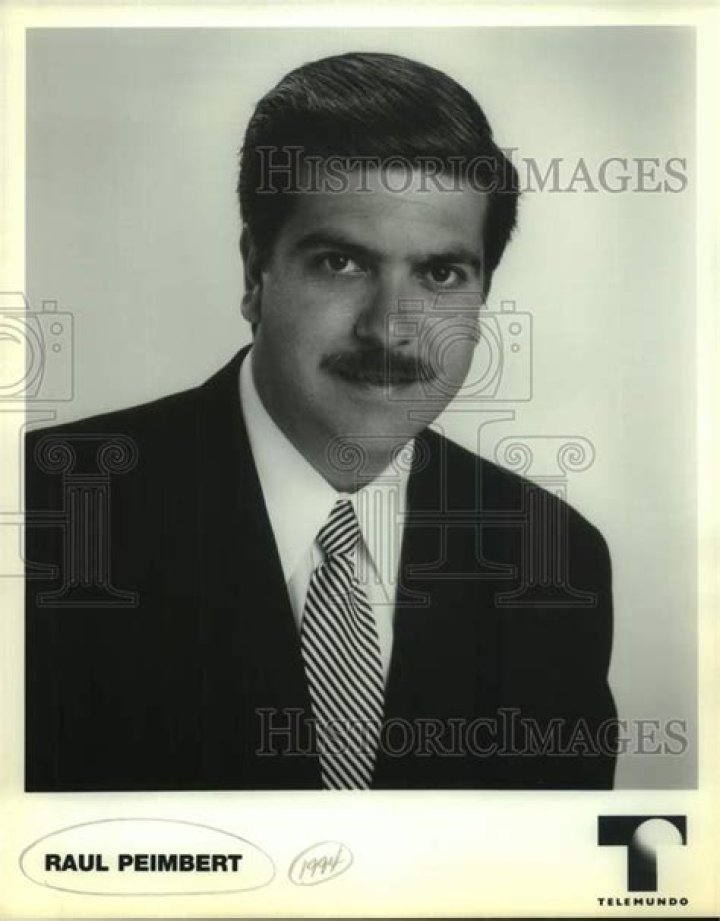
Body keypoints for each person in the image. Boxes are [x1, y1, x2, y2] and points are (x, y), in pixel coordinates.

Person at [25, 52, 617, 792]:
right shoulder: (47, 511)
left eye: (439, 273)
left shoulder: (554, 560)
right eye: (342, 263)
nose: (391, 328)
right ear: (255, 274)